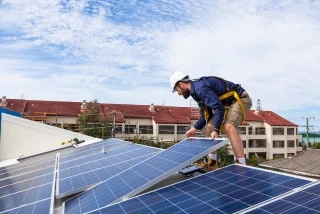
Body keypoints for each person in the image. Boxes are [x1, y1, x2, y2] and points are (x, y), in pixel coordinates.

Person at [170, 71, 252, 170]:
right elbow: (206, 114)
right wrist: (194, 128)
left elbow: (218, 107)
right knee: (209, 127)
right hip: (226, 103)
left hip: (241, 98)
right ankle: (212, 163)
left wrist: (216, 129)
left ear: (181, 84)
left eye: (177, 90)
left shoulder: (200, 89)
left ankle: (242, 165)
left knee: (228, 126)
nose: (178, 94)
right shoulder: (195, 91)